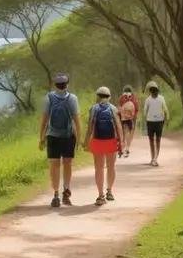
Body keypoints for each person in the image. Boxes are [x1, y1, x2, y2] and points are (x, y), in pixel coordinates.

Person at [39, 72, 82, 208]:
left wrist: (41, 137)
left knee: (54, 165)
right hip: (69, 136)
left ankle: (56, 194)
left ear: (55, 85)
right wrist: (79, 139)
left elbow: (44, 119)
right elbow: (77, 120)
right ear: (67, 84)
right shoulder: (72, 98)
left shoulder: (49, 97)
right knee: (67, 163)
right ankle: (66, 191)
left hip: (52, 136)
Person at [85, 86, 124, 206]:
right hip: (111, 141)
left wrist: (86, 142)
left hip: (97, 142)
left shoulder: (93, 108)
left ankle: (100, 195)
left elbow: (90, 128)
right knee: (111, 167)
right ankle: (110, 191)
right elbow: (118, 126)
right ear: (109, 96)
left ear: (98, 96)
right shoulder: (113, 108)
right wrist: (121, 143)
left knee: (99, 169)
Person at [143, 81, 170, 167]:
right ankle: (153, 158)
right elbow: (145, 111)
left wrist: (167, 119)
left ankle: (155, 158)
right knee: (151, 140)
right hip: (150, 122)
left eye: (156, 91)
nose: (155, 92)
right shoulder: (148, 100)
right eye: (153, 91)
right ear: (150, 92)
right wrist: (145, 120)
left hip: (159, 122)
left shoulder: (161, 98)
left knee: (158, 140)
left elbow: (165, 109)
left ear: (158, 91)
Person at [117, 85, 138, 157]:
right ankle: (127, 147)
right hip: (131, 118)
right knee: (130, 132)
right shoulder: (134, 98)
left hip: (123, 118)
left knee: (124, 132)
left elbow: (119, 108)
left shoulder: (121, 97)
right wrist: (133, 117)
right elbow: (136, 108)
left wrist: (120, 116)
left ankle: (123, 147)